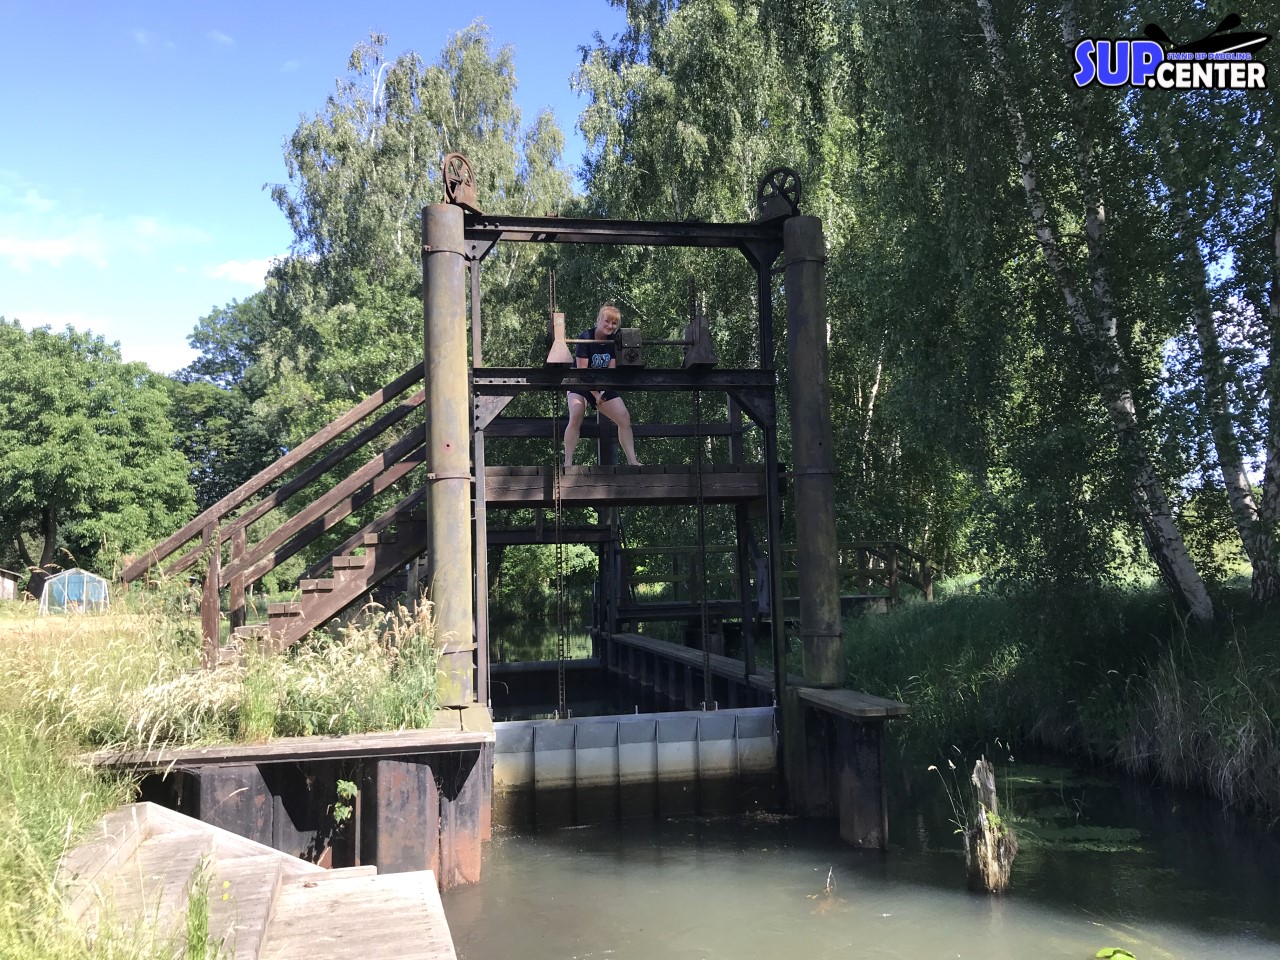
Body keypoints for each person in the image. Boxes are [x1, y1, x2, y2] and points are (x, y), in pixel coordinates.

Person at [564, 303, 642, 467]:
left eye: (614, 323)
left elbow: (611, 370)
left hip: (602, 385)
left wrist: (604, 393)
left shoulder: (614, 341)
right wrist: (596, 395)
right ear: (599, 320)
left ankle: (633, 461)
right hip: (580, 384)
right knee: (576, 414)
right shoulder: (585, 338)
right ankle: (568, 462)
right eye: (607, 321)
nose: (610, 326)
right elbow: (582, 374)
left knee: (624, 418)